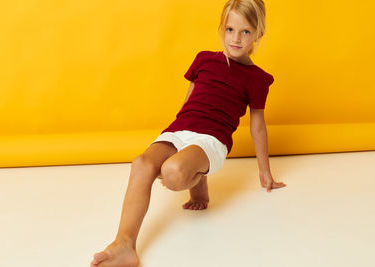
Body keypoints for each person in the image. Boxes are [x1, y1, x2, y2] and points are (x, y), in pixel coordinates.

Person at [90, 0, 286, 266]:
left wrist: (265, 173)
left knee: (172, 173)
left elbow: (258, 126)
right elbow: (189, 101)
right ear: (221, 28)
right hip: (181, 129)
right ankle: (124, 244)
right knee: (142, 164)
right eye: (230, 29)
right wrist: (173, 136)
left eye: (245, 32)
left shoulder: (258, 78)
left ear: (258, 35)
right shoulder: (204, 59)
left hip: (211, 139)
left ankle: (197, 181)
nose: (236, 39)